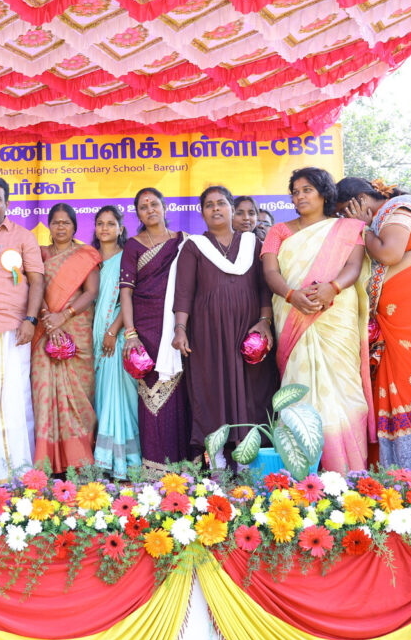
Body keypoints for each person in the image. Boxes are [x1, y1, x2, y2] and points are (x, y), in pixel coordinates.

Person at [338, 178, 411, 468]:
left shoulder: (399, 210)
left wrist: (363, 228)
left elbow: (390, 254)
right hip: (401, 315)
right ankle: (401, 472)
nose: (346, 217)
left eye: (346, 210)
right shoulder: (387, 216)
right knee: (397, 383)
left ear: (360, 200)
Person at [261, 168, 372, 472]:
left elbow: (353, 264)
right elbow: (270, 273)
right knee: (300, 389)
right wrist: (291, 295)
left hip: (336, 317)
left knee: (345, 389)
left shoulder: (348, 228)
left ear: (324, 193)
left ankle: (350, 470)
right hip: (293, 315)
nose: (299, 196)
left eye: (307, 190)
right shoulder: (278, 231)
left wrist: (332, 288)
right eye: (295, 191)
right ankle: (300, 473)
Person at [173, 186, 278, 463]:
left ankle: (252, 465)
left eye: (221, 203)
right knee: (212, 392)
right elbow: (184, 291)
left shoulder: (251, 244)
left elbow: (264, 287)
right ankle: (218, 465)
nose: (216, 209)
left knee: (252, 393)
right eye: (209, 205)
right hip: (208, 335)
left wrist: (265, 322)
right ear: (202, 212)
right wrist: (180, 329)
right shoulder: (195, 246)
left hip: (249, 334)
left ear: (232, 209)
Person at [0, 176, 45, 478]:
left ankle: (17, 471)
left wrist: (30, 320)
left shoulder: (23, 236)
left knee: (14, 399)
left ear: (7, 203)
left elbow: (37, 280)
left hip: (12, 328)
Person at [119, 188, 191, 473]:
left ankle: (187, 466)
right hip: (146, 331)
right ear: (137, 213)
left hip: (178, 328)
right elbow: (126, 292)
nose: (150, 209)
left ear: (164, 207)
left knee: (181, 397)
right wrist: (130, 333)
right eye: (143, 206)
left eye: (154, 204)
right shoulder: (134, 246)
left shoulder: (183, 242)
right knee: (152, 399)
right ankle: (154, 468)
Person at [30, 204, 100, 472]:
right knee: (45, 393)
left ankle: (79, 460)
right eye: (56, 222)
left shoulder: (85, 255)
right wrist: (48, 318)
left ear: (74, 227)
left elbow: (90, 292)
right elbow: (33, 289)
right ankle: (47, 462)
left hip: (76, 329)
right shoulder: (39, 255)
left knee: (78, 396)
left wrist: (63, 316)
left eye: (66, 223)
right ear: (49, 226)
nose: (61, 227)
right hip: (44, 330)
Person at [91, 205, 141, 477]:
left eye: (111, 223)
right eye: (100, 223)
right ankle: (104, 462)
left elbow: (129, 298)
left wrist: (112, 331)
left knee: (119, 399)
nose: (105, 228)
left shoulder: (126, 258)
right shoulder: (89, 259)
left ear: (121, 229)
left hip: (118, 338)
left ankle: (125, 464)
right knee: (100, 398)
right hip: (94, 341)